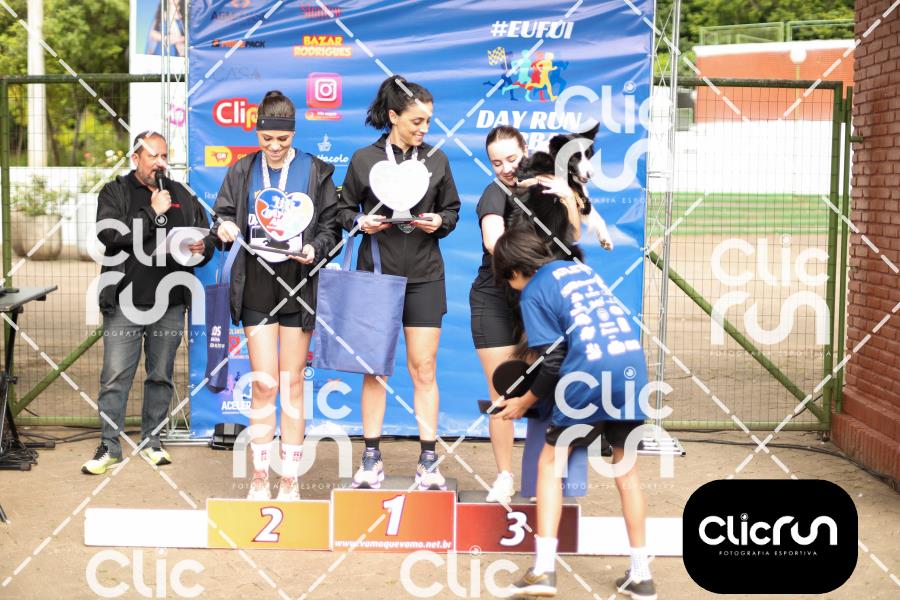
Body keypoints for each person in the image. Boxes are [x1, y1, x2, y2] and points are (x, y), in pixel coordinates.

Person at [492, 228, 656, 600]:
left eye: (507, 279)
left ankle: (543, 570)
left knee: (550, 463)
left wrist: (524, 401)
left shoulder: (533, 291)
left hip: (588, 371)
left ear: (514, 270)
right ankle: (641, 576)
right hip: (631, 367)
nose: (511, 287)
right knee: (627, 471)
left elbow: (553, 360)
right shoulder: (580, 269)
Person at [212, 90, 341, 501]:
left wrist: (316, 249)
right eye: (266, 138)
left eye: (282, 140)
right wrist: (224, 227)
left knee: (292, 383)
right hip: (257, 282)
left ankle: (290, 478)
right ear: (257, 134)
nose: (273, 147)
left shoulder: (315, 170)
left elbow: (332, 227)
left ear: (293, 134)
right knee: (265, 384)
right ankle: (259, 477)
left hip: (298, 282)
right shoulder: (242, 170)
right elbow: (222, 215)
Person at [337, 76, 461, 491]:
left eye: (428, 122)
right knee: (376, 369)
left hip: (425, 276)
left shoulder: (437, 160)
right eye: (416, 121)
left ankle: (428, 461)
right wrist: (360, 221)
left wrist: (440, 221)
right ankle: (371, 458)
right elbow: (341, 210)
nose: (424, 129)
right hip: (377, 275)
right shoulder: (363, 160)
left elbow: (452, 210)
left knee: (424, 368)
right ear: (393, 116)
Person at [82, 130, 214, 475]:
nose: (160, 162)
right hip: (124, 302)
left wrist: (203, 247)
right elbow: (111, 235)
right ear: (135, 157)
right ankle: (109, 446)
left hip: (170, 302)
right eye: (153, 155)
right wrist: (153, 212)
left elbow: (205, 236)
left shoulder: (181, 193)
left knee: (161, 376)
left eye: (164, 156)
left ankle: (152, 441)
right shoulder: (115, 192)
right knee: (115, 377)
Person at [471, 126, 584, 503]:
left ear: (525, 152)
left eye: (512, 159)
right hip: (494, 300)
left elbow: (572, 236)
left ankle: (542, 480)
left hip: (536, 301)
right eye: (496, 162)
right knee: (503, 390)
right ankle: (504, 476)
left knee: (546, 388)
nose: (505, 168)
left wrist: (566, 197)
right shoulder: (494, 194)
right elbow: (494, 244)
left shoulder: (545, 188)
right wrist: (541, 256)